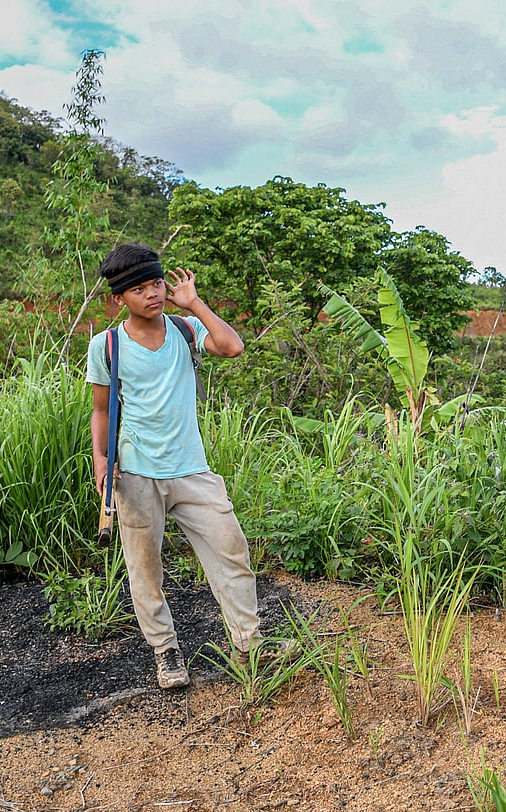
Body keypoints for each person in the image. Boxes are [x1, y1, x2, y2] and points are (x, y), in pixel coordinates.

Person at [86, 243, 294, 690]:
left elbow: (232, 346)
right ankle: (166, 651)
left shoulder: (186, 328)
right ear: (119, 298)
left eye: (157, 283)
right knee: (145, 567)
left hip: (192, 469)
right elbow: (100, 411)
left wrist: (194, 302)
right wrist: (101, 461)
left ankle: (248, 646)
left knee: (231, 552)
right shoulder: (106, 346)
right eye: (139, 289)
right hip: (136, 473)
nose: (153, 294)